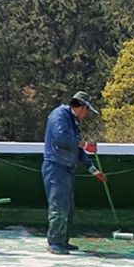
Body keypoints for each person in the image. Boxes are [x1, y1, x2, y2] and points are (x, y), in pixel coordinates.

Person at [42, 91, 108, 255]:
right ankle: (54, 242)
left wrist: (93, 170)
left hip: (67, 169)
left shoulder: (73, 122)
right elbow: (61, 137)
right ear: (82, 107)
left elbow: (78, 151)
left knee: (68, 207)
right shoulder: (59, 114)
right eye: (87, 110)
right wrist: (85, 144)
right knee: (58, 206)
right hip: (55, 167)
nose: (87, 114)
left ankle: (63, 241)